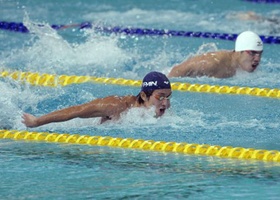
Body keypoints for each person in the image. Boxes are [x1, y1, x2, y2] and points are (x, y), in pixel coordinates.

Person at [22, 71, 172, 128]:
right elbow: (76, 111)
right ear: (144, 95)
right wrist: (37, 122)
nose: (166, 103)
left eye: (168, 97)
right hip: (77, 125)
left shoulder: (154, 111)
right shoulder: (117, 106)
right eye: (160, 97)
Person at [168, 31, 263, 78]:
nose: (257, 59)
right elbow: (176, 70)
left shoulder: (243, 66)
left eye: (259, 54)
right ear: (239, 51)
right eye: (252, 53)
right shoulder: (213, 63)